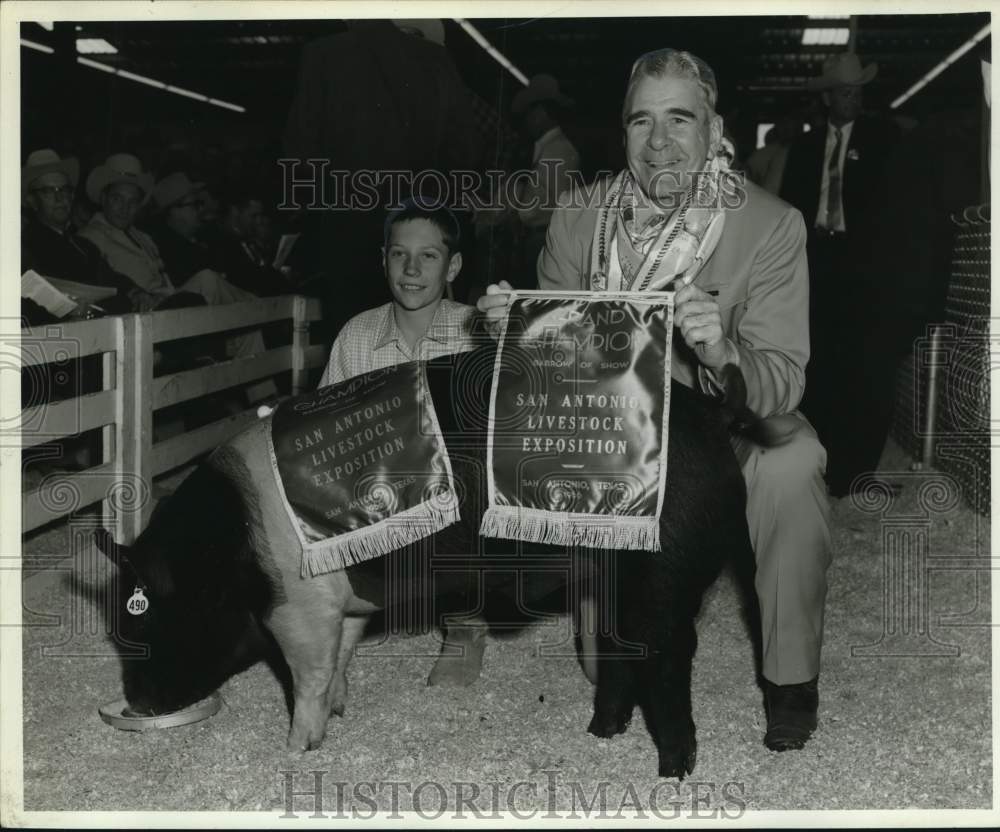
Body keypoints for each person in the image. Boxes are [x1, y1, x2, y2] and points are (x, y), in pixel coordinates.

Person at [472, 48, 831, 753]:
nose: (660, 141)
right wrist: (510, 331)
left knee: (794, 462)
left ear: (714, 128)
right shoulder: (579, 219)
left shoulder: (770, 225)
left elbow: (785, 376)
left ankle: (791, 681)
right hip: (612, 428)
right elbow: (549, 374)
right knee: (608, 664)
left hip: (720, 418)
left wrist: (724, 354)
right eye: (642, 121)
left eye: (679, 120)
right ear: (622, 131)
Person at [779, 53, 899, 495]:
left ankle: (856, 469)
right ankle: (820, 463)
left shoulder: (884, 140)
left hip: (864, 267)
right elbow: (789, 211)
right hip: (816, 265)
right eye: (846, 92)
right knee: (820, 364)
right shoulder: (805, 149)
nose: (854, 99)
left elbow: (892, 209)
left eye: (859, 92)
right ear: (828, 97)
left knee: (861, 367)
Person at [318, 200, 477, 387]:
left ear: (452, 267)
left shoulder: (478, 334)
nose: (411, 269)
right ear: (385, 261)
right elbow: (327, 414)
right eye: (399, 254)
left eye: (428, 255)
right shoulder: (355, 337)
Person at [21, 149, 134, 324]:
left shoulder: (84, 246)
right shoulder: (22, 247)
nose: (60, 198)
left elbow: (115, 281)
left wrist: (137, 292)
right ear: (31, 201)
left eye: (65, 190)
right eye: (48, 191)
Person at [510, 74, 583, 288]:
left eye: (529, 114)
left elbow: (556, 206)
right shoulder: (551, 148)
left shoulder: (557, 151)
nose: (526, 120)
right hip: (538, 239)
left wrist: (516, 211)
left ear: (541, 113)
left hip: (543, 240)